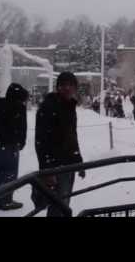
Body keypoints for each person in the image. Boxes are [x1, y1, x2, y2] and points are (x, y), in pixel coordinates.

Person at [32, 72, 86, 217]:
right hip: (56, 166)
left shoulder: (69, 106)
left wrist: (78, 161)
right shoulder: (48, 107)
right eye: (63, 84)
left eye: (71, 85)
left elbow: (72, 137)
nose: (67, 88)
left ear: (75, 88)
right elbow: (41, 141)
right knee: (57, 206)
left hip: (69, 164)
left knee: (63, 203)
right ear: (58, 87)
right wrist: (47, 170)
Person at [0, 83, 29, 210]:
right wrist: (21, 142)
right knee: (10, 174)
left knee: (0, 173)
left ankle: (0, 199)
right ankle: (7, 201)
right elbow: (22, 127)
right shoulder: (19, 107)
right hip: (11, 145)